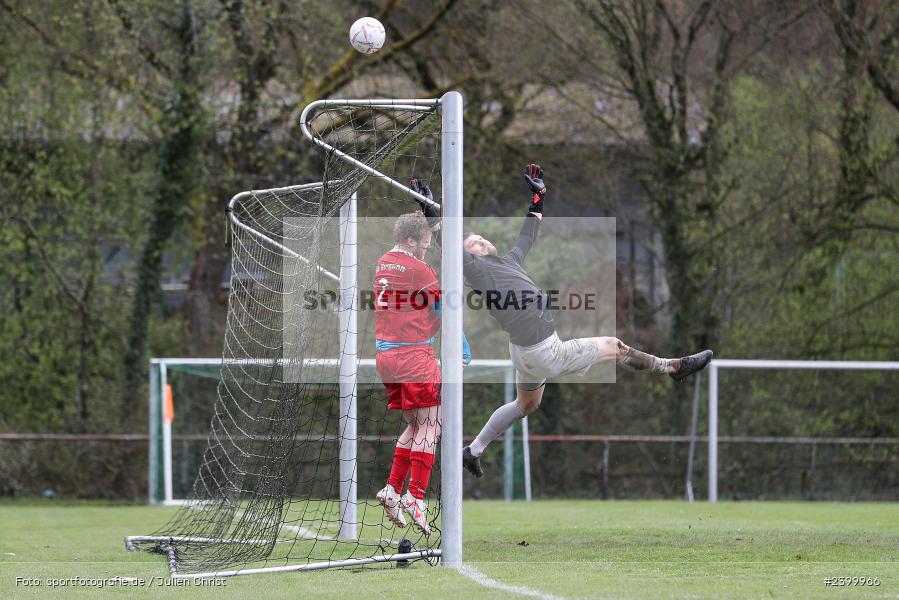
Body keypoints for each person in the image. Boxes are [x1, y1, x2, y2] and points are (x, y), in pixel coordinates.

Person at [418, 163, 712, 479]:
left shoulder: (508, 261)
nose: (482, 242)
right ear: (469, 256)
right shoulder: (478, 271)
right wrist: (431, 215)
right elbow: (450, 248)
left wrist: (539, 197)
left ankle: (473, 451)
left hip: (525, 352)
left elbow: (528, 235)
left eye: (481, 238)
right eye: (474, 244)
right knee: (615, 346)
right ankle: (673, 368)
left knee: (526, 405)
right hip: (544, 351)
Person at [374, 209, 471, 534]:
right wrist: (463, 349)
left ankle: (392, 489)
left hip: (387, 358)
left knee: (416, 426)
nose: (428, 247)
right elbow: (445, 312)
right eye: (426, 241)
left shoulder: (383, 262)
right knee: (433, 424)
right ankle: (415, 497)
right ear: (411, 239)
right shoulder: (419, 270)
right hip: (414, 357)